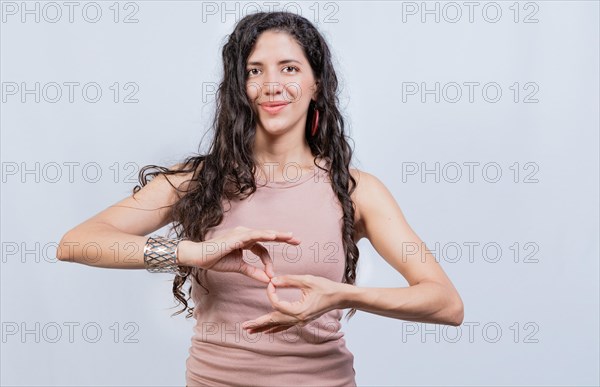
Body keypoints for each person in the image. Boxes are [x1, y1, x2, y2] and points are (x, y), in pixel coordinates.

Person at [57, 11, 464, 387]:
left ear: (316, 84)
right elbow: (76, 243)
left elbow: (446, 303)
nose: (271, 84)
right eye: (255, 71)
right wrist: (191, 253)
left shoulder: (358, 191)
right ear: (241, 87)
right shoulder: (198, 181)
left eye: (289, 68)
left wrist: (341, 295)